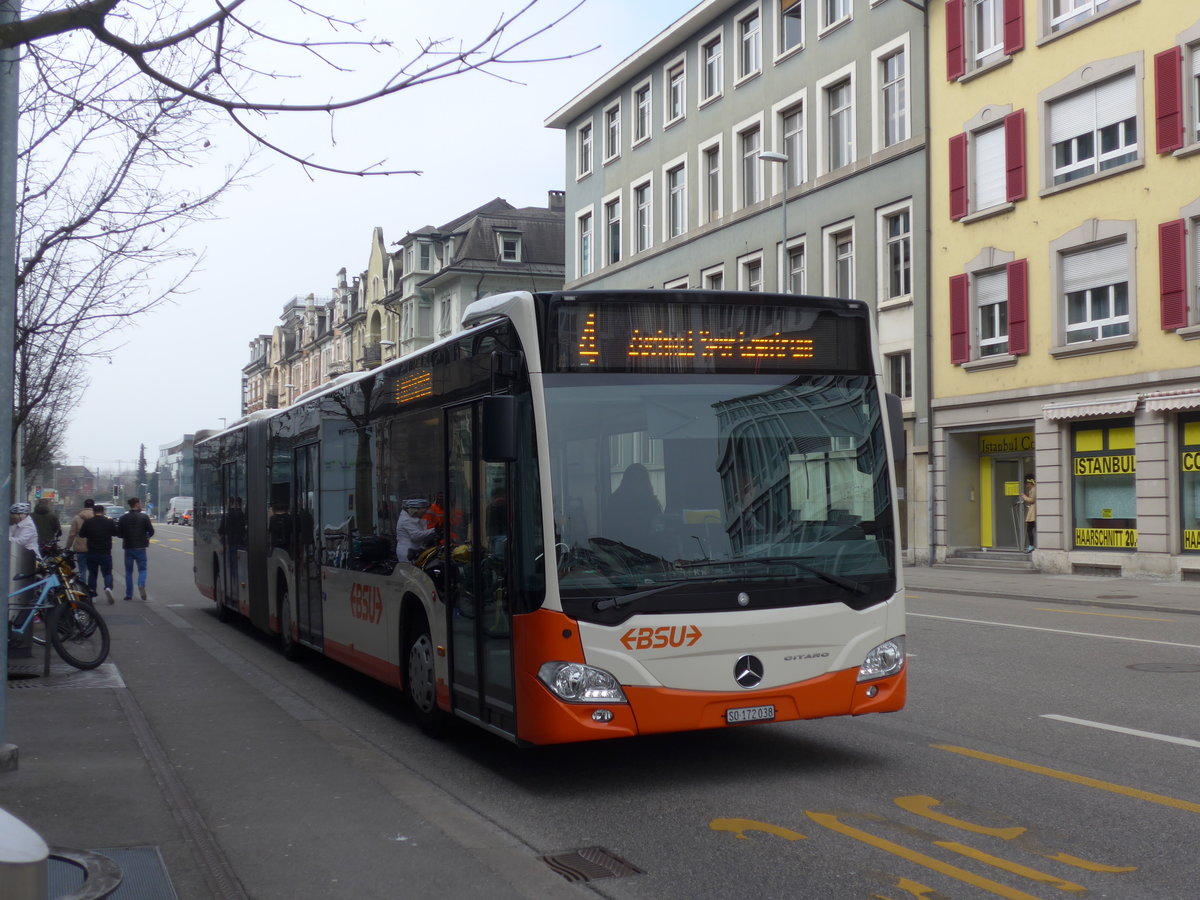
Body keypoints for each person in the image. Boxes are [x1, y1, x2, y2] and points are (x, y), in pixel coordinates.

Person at [607, 463, 662, 548]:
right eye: (633, 480)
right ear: (627, 481)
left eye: (641, 480)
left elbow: (658, 526)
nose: (637, 484)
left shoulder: (651, 502)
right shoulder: (615, 502)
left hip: (649, 550)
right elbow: (612, 529)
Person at [79, 503, 119, 604]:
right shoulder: (108, 522)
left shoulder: (88, 522)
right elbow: (115, 532)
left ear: (93, 511)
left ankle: (93, 595)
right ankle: (108, 587)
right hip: (105, 552)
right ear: (103, 511)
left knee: (92, 574)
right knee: (107, 573)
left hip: (92, 552)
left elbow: (81, 534)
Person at [117, 496, 155, 601]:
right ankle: (141, 583)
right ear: (137, 504)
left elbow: (119, 533)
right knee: (142, 569)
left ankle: (129, 594)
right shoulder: (144, 517)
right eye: (140, 503)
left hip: (128, 547)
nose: (141, 505)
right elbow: (151, 531)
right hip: (141, 547)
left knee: (128, 572)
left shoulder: (123, 518)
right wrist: (146, 536)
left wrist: (126, 535)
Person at [395, 498, 438, 563]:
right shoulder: (406, 520)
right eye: (423, 512)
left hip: (413, 550)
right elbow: (416, 536)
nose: (423, 514)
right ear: (414, 510)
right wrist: (433, 530)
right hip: (407, 551)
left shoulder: (411, 518)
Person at [67, 499, 95, 585]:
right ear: (93, 506)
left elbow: (72, 534)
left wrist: (68, 546)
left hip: (80, 547)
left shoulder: (77, 517)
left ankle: (83, 589)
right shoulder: (97, 517)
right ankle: (91, 588)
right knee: (93, 570)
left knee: (82, 569)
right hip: (93, 548)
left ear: (84, 506)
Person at [1020, 475, 1037, 552]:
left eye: (1027, 483)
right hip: (1032, 511)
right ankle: (1032, 545)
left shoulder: (1034, 489)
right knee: (1030, 529)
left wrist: (1025, 497)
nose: (1026, 485)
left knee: (1030, 529)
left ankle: (1031, 545)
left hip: (1033, 512)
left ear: (1031, 483)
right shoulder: (1033, 489)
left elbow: (1032, 500)